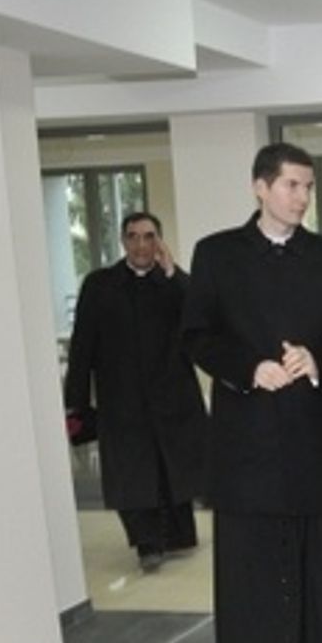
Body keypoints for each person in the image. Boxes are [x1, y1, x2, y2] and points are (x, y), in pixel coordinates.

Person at [181, 142, 322, 643]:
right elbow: (197, 336)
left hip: (313, 431)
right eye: (291, 185)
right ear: (260, 187)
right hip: (247, 436)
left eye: (308, 186)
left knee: (316, 554)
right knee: (252, 555)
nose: (302, 197)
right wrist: (247, 369)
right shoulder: (216, 254)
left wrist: (319, 361)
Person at [64, 212, 207, 572]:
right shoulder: (100, 285)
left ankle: (176, 536)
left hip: (171, 396)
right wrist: (75, 400)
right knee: (133, 474)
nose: (141, 245)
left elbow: (200, 312)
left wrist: (173, 272)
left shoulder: (173, 284)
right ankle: (146, 543)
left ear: (159, 241)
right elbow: (82, 344)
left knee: (170, 468)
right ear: (123, 241)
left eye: (149, 236)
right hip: (122, 400)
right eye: (133, 236)